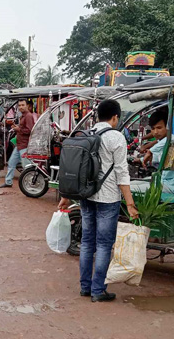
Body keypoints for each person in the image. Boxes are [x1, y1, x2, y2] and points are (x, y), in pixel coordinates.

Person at [58, 99, 139, 302]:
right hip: (108, 198)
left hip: (86, 195)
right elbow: (122, 172)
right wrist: (130, 203)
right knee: (103, 245)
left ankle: (85, 288)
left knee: (87, 242)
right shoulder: (116, 137)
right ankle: (98, 290)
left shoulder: (87, 133)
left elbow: (75, 169)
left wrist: (67, 196)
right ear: (115, 117)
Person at [132, 109, 174, 195]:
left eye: (159, 128)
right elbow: (159, 158)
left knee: (129, 188)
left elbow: (169, 139)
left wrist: (150, 151)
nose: (155, 132)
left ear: (168, 127)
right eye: (153, 128)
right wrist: (141, 159)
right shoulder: (163, 144)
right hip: (163, 182)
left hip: (173, 187)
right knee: (128, 184)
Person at [0, 99, 35, 188]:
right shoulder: (22, 116)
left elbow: (30, 130)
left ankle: (31, 184)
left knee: (26, 166)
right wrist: (17, 127)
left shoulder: (28, 116)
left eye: (23, 105)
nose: (21, 107)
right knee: (11, 163)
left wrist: (18, 129)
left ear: (27, 106)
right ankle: (8, 182)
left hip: (24, 145)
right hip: (19, 145)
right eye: (19, 105)